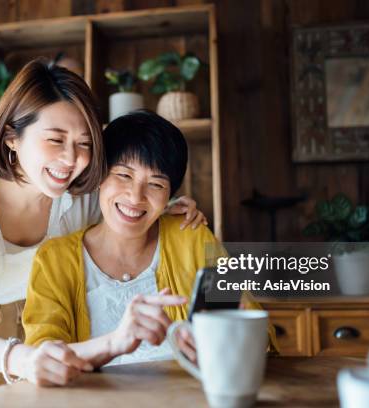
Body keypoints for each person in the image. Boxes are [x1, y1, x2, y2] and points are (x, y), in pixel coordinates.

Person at [0, 60, 206, 406]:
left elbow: (125, 199)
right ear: (12, 136)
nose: (71, 160)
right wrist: (21, 358)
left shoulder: (80, 193)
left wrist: (168, 205)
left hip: (31, 328)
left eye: (84, 143)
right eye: (56, 140)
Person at [23, 111, 276, 369]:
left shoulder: (191, 238)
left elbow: (256, 329)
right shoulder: (54, 259)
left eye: (155, 184)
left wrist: (230, 338)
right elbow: (42, 357)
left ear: (170, 194)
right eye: (124, 175)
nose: (135, 197)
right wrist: (114, 341)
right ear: (100, 175)